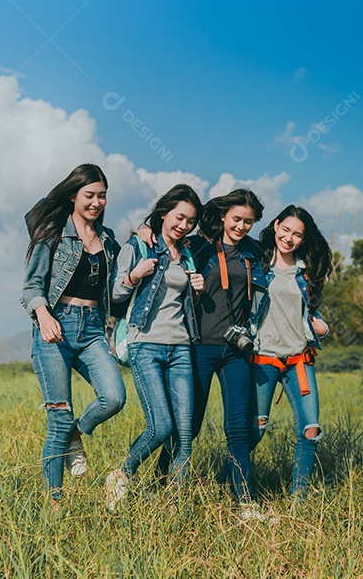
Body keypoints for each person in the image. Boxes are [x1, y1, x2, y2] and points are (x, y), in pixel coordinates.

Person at [147, 188, 267, 513]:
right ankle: (157, 489)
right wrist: (145, 231)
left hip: (236, 352)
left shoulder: (254, 253)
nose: (242, 226)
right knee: (189, 426)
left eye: (249, 222)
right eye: (237, 219)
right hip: (198, 347)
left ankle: (245, 503)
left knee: (238, 430)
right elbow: (164, 246)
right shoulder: (198, 245)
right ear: (225, 216)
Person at [20, 163, 127, 506]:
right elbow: (32, 285)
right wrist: (43, 313)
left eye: (102, 196)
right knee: (58, 415)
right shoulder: (52, 233)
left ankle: (76, 434)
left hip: (93, 328)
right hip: (55, 326)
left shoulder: (108, 240)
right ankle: (54, 502)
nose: (96, 202)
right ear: (73, 195)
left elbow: (115, 289)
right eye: (89, 195)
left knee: (114, 397)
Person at [104, 184, 207, 510]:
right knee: (161, 426)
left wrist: (198, 290)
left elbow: (182, 304)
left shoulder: (188, 253)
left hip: (180, 349)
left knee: (185, 435)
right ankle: (122, 474)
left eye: (190, 221)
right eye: (179, 217)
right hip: (145, 345)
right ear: (164, 213)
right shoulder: (138, 246)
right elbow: (113, 298)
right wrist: (133, 276)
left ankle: (171, 505)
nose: (184, 225)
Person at [249, 205, 332, 499]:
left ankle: (300, 500)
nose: (289, 238)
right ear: (275, 225)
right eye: (285, 230)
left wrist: (322, 328)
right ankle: (231, 487)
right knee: (254, 431)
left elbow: (312, 314)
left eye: (297, 234)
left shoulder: (305, 272)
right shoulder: (257, 262)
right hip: (262, 359)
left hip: (299, 360)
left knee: (310, 430)